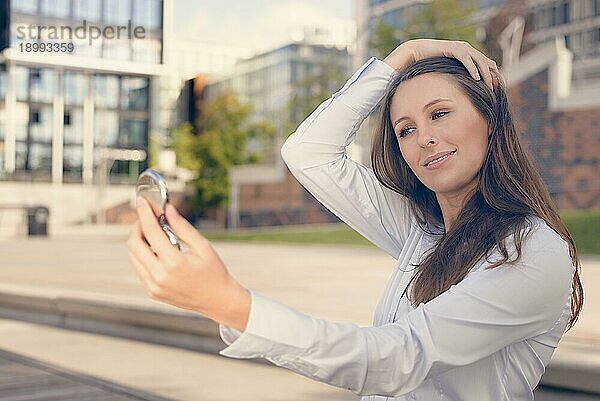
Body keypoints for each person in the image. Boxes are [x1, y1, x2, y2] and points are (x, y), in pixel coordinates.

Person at [127, 39, 584, 400]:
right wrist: (402, 56)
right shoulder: (420, 229)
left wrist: (231, 304)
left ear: (489, 120)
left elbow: (397, 359)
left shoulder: (533, 251)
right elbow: (306, 153)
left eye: (440, 114)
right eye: (405, 129)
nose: (424, 138)